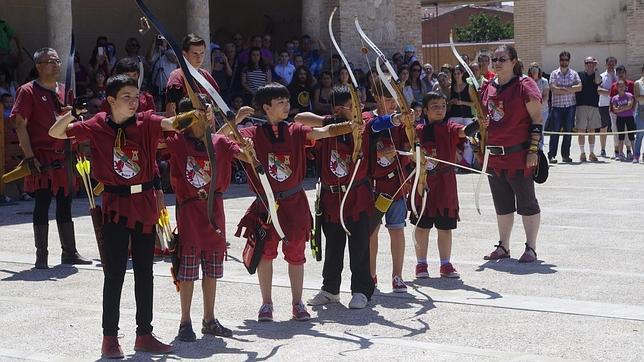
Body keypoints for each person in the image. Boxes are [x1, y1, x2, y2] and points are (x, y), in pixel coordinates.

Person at [48, 74, 190, 358]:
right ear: (110, 100)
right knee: (114, 275)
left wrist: (196, 113)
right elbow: (56, 133)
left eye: (136, 96)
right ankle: (109, 338)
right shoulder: (98, 124)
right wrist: (73, 113)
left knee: (145, 274)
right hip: (115, 207)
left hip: (146, 206)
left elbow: (173, 123)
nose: (133, 101)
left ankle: (144, 334)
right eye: (126, 97)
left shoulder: (146, 120)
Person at [234, 82, 355, 321]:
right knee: (265, 254)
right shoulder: (252, 133)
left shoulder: (296, 130)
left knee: (296, 253)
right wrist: (236, 120)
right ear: (266, 107)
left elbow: (322, 132)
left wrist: (351, 126)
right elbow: (219, 140)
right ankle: (266, 304)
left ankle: (298, 303)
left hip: (294, 202)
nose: (286, 106)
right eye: (280, 102)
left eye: (287, 101)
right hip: (266, 204)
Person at [166, 96, 252, 341]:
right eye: (201, 112)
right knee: (188, 271)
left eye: (209, 112)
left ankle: (209, 319)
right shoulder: (177, 141)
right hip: (190, 213)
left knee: (212, 270)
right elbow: (163, 128)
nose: (207, 116)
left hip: (214, 211)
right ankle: (185, 322)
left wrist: (247, 148)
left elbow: (244, 155)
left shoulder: (220, 141)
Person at [10, 47, 91, 269]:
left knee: (65, 203)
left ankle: (69, 252)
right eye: (50, 61)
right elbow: (20, 125)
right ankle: (41, 255)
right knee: (42, 203)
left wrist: (72, 114)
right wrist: (29, 157)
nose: (56, 65)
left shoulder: (64, 90)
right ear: (38, 66)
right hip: (42, 156)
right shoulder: (27, 91)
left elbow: (73, 121)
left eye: (57, 61)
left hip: (64, 154)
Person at [480, 44, 543, 263]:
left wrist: (533, 150)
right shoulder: (488, 87)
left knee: (527, 202)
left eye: (502, 59)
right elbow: (487, 120)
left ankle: (531, 248)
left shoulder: (525, 85)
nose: (497, 63)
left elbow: (537, 119)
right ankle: (503, 246)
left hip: (519, 154)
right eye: (494, 59)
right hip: (495, 156)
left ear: (513, 62)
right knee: (502, 204)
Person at [413, 92, 482, 279]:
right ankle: (421, 264)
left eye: (443, 105)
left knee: (445, 227)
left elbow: (463, 131)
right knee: (422, 226)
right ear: (425, 110)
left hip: (445, 183)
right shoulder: (417, 129)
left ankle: (445, 264)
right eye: (435, 106)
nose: (440, 109)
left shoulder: (450, 126)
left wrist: (478, 123)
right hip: (423, 181)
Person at [366, 77, 413, 292]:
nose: (392, 105)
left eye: (395, 100)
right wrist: (379, 152)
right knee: (371, 232)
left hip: (395, 184)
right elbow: (362, 149)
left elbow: (411, 145)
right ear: (376, 98)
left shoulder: (401, 122)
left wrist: (410, 125)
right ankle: (371, 275)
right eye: (387, 100)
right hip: (373, 186)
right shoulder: (367, 119)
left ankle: (397, 276)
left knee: (397, 230)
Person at [165, 33, 217, 117]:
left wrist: (212, 109)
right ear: (184, 54)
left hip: (208, 127)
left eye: (202, 53)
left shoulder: (206, 75)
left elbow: (217, 105)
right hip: (185, 126)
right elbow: (172, 110)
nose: (199, 58)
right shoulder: (176, 77)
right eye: (195, 53)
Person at [548, 51, 581, 164]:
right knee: (555, 132)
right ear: (559, 60)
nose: (564, 61)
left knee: (568, 132)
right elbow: (553, 89)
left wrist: (562, 89)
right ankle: (551, 155)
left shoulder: (574, 74)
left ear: (569, 61)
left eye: (566, 59)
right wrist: (570, 88)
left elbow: (579, 87)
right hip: (557, 107)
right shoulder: (554, 73)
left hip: (570, 107)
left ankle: (565, 155)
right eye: (562, 59)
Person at [575, 57, 602, 162]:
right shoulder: (579, 75)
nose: (590, 64)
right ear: (584, 64)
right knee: (581, 130)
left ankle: (591, 153)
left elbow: (598, 82)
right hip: (581, 105)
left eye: (592, 63)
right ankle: (582, 153)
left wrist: (596, 69)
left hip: (594, 106)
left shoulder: (597, 75)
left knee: (592, 130)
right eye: (588, 63)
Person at [447, 64, 475, 167]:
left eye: (458, 73)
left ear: (462, 74)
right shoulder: (451, 88)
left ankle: (467, 163)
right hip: (454, 116)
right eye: (455, 74)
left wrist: (462, 102)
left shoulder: (468, 87)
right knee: (453, 140)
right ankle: (455, 162)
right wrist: (451, 102)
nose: (456, 75)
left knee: (468, 140)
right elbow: (447, 104)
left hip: (466, 116)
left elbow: (474, 103)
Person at [609, 65, 635, 160]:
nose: (620, 74)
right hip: (615, 114)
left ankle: (629, 151)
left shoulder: (631, 84)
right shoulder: (614, 85)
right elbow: (611, 99)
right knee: (617, 132)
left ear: (625, 73)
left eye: (622, 72)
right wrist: (613, 111)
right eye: (618, 72)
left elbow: (633, 98)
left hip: (629, 114)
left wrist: (629, 108)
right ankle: (618, 152)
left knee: (629, 133)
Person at [597, 57, 618, 158]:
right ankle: (603, 149)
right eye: (609, 64)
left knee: (617, 127)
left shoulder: (619, 76)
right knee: (604, 127)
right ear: (606, 65)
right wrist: (611, 93)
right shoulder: (602, 76)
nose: (611, 66)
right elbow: (598, 90)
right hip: (604, 104)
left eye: (613, 64)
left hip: (617, 104)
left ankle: (617, 149)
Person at [527, 63, 550, 149]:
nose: (534, 69)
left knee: (540, 130)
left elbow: (545, 96)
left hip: (542, 111)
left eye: (536, 67)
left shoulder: (544, 81)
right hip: (530, 110)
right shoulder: (527, 81)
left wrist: (538, 106)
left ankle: (540, 149)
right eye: (532, 67)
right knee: (530, 130)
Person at [634, 65, 644, 163]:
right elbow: (637, 97)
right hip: (641, 109)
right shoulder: (638, 83)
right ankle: (636, 155)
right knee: (640, 134)